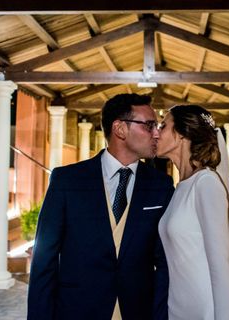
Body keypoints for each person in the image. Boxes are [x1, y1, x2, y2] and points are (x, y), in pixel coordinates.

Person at [27, 93, 174, 320]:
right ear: (120, 129)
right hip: (76, 311)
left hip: (138, 311)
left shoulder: (160, 185)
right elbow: (43, 261)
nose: (157, 133)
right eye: (149, 125)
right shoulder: (67, 180)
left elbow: (165, 263)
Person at [157, 105, 229, 320]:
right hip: (181, 308)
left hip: (208, 309)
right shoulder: (182, 186)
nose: (156, 132)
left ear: (182, 135)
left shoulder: (206, 184)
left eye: (163, 126)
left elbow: (219, 266)